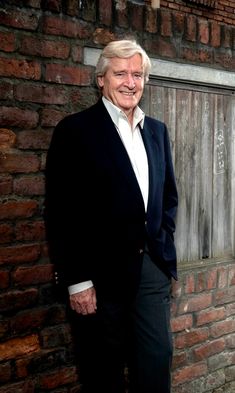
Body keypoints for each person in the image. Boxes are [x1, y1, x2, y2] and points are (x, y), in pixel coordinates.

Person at [45, 39, 178, 393]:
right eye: (120, 73)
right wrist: (77, 280)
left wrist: (164, 248)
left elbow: (167, 198)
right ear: (101, 79)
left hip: (151, 271)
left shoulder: (157, 131)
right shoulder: (75, 131)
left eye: (137, 74)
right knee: (103, 374)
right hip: (99, 279)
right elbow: (61, 212)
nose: (130, 82)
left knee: (156, 363)